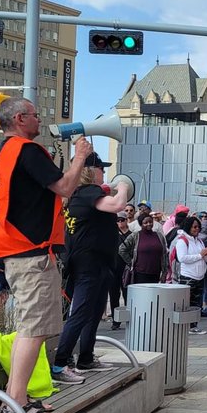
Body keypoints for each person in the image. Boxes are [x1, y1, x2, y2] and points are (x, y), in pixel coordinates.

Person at [0, 97, 91, 413]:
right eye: (36, 115)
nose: (40, 121)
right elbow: (65, 187)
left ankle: (18, 395)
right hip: (31, 255)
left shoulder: (3, 154)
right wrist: (80, 157)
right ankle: (15, 402)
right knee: (33, 328)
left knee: (34, 326)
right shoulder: (26, 151)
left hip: (19, 252)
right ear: (21, 118)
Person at [52, 152, 131, 384]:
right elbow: (118, 204)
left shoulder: (78, 195)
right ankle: (60, 364)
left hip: (97, 263)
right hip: (90, 264)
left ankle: (85, 357)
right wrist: (123, 185)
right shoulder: (87, 192)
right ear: (89, 170)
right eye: (101, 169)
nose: (104, 173)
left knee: (93, 312)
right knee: (80, 313)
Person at [172, 216, 207, 336]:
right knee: (187, 303)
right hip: (188, 276)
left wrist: (206, 255)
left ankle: (193, 325)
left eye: (198, 227)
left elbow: (204, 257)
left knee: (196, 303)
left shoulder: (199, 241)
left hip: (199, 276)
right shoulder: (182, 241)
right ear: (188, 227)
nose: (197, 229)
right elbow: (182, 258)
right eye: (194, 227)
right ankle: (186, 326)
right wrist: (200, 255)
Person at [120, 213, 168, 285]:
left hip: (156, 273)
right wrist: (131, 262)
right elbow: (122, 249)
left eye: (150, 222)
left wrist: (164, 272)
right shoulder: (135, 235)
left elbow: (164, 254)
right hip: (139, 274)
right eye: (145, 223)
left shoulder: (159, 236)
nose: (149, 224)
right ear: (140, 224)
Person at [109, 211, 133, 330]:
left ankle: (130, 318)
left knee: (127, 294)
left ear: (126, 220)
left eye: (122, 220)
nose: (119, 222)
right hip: (113, 269)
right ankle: (115, 320)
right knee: (114, 295)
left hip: (126, 269)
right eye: (117, 220)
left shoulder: (132, 235)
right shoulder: (112, 235)